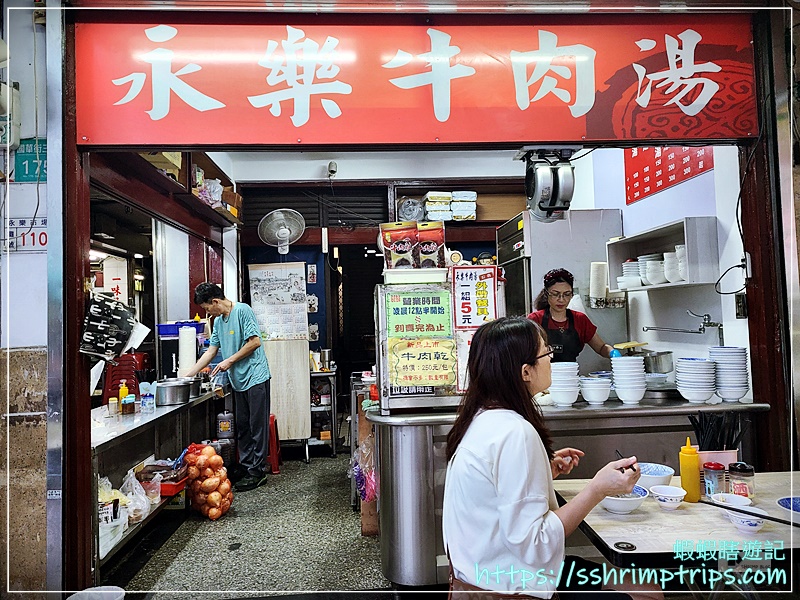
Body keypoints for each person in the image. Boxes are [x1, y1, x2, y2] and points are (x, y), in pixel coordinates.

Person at [442, 317, 662, 599]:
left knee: (645, 584)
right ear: (525, 372)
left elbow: (499, 490)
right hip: (509, 588)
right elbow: (536, 543)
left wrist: (543, 471)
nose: (551, 360)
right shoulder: (515, 432)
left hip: (482, 577)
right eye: (546, 353)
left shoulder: (481, 417)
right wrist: (598, 488)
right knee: (649, 595)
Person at [186, 283, 272, 492]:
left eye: (207, 308)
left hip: (255, 376)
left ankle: (258, 471)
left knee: (256, 425)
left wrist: (230, 361)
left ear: (215, 302)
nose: (207, 313)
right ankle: (245, 465)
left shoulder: (242, 310)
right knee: (242, 425)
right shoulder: (218, 322)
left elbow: (254, 342)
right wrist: (186, 376)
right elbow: (210, 352)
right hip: (238, 380)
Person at [528, 268, 617, 363]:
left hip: (570, 374)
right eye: (555, 294)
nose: (561, 299)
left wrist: (613, 353)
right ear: (546, 294)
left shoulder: (580, 319)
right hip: (541, 375)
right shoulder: (535, 320)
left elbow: (601, 347)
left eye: (566, 294)